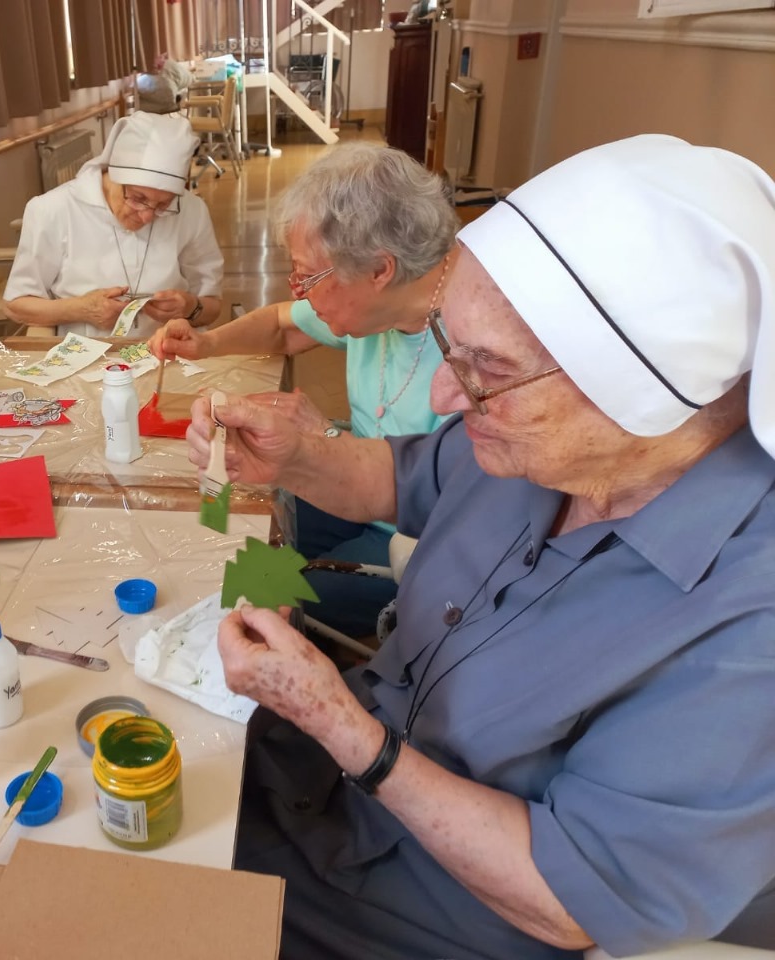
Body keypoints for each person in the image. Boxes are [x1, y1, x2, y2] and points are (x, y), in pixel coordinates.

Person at [188, 135, 775, 959]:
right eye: (447, 344)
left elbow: (574, 898)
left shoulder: (747, 625)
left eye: (486, 370)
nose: (442, 392)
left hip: (420, 907)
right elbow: (404, 480)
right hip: (320, 781)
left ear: (638, 397)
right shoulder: (550, 442)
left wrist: (339, 722)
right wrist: (299, 456)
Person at [151, 143, 459, 638]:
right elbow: (282, 326)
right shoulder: (385, 300)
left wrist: (325, 442)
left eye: (307, 275)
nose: (296, 290)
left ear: (379, 270)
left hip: (418, 541)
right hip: (355, 494)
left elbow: (453, 503)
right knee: (230, 521)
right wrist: (206, 343)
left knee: (258, 600)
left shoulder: (477, 355)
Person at [3, 111, 224, 339]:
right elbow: (16, 305)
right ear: (115, 175)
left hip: (167, 353)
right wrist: (82, 309)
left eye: (163, 205)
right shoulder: (52, 209)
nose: (148, 216)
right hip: (84, 355)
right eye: (138, 198)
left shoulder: (191, 210)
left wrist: (190, 307)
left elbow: (212, 307)